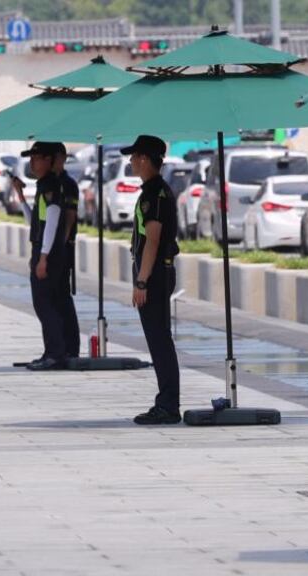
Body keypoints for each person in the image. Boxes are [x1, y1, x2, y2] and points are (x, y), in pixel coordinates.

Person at [125, 135, 182, 426]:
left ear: (145, 159)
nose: (131, 162)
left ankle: (168, 405)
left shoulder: (154, 194)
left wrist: (142, 282)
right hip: (157, 272)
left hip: (156, 273)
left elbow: (153, 240)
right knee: (159, 339)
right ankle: (167, 401)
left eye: (134, 157)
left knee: (159, 340)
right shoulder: (153, 191)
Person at [11, 142, 70, 371]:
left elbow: (53, 219)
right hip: (43, 250)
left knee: (45, 303)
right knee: (44, 303)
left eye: (36, 158)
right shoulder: (42, 185)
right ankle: (51, 351)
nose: (32, 163)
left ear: (48, 159)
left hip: (49, 253)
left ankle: (56, 354)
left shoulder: (50, 185)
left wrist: (44, 257)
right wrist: (21, 196)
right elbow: (36, 223)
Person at [53, 144, 81, 359]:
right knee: (54, 297)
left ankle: (70, 346)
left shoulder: (68, 184)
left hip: (63, 248)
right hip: (54, 248)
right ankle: (59, 345)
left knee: (62, 296)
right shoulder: (50, 183)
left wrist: (60, 245)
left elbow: (70, 217)